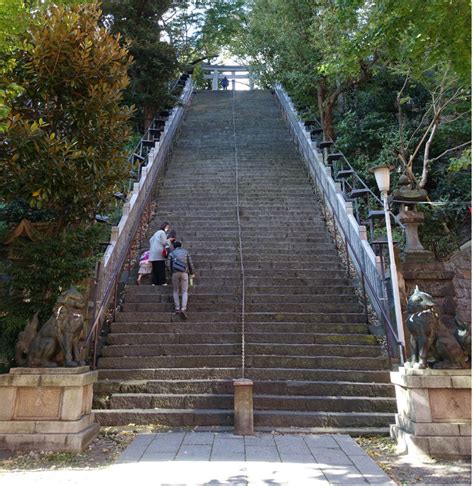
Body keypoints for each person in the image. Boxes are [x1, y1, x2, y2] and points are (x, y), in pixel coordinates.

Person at [169, 240, 195, 319]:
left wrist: (171, 272)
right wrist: (192, 272)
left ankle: (177, 308)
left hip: (175, 273)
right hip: (184, 272)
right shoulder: (185, 252)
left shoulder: (172, 253)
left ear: (174, 246)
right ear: (181, 246)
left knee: (175, 290)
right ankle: (183, 308)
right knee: (184, 291)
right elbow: (190, 263)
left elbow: (167, 264)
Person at [149, 221, 170, 285]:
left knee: (155, 269)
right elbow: (164, 242)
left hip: (153, 254)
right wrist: (168, 242)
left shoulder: (156, 233)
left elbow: (150, 240)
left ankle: (154, 282)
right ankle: (162, 282)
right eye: (167, 227)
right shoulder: (162, 233)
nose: (168, 229)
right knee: (161, 268)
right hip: (159, 253)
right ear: (165, 226)